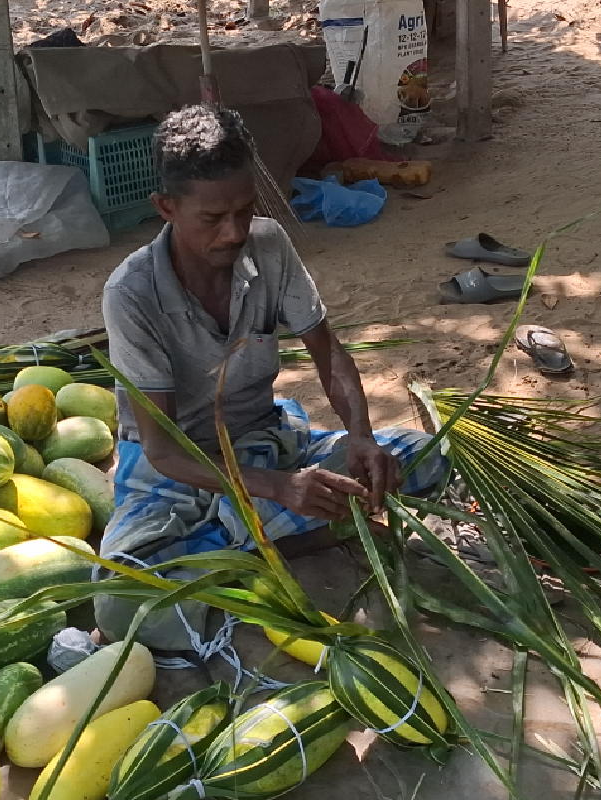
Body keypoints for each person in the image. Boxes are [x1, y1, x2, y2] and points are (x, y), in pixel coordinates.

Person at [94, 104, 447, 648]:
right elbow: (164, 450)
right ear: (165, 207)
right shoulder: (132, 293)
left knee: (420, 456)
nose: (234, 232)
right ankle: (272, 533)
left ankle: (243, 542)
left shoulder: (270, 245)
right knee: (121, 602)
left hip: (266, 441)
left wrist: (359, 435)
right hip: (177, 470)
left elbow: (329, 355)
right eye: (212, 219)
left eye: (244, 209)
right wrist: (280, 488)